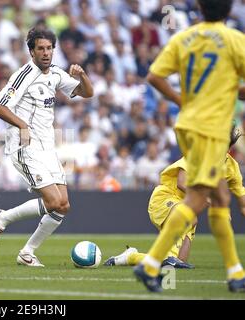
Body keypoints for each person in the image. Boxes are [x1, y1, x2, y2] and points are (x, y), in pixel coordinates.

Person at [134, 0, 245, 293]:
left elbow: (154, 76)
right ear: (228, 10)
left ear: (200, 8)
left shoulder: (184, 37)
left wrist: (182, 100)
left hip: (188, 125)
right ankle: (150, 265)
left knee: (219, 195)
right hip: (211, 129)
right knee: (197, 200)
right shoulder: (235, 40)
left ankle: (235, 273)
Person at [0, 27, 93, 267]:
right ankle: (2, 218)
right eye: (40, 49)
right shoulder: (23, 75)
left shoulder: (55, 74)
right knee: (54, 202)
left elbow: (87, 93)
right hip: (24, 147)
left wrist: (82, 75)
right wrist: (22, 125)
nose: (45, 53)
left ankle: (27, 252)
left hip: (48, 148)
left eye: (49, 48)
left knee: (63, 206)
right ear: (31, 52)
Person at [105, 126, 245, 268]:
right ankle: (169, 257)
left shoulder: (232, 168)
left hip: (189, 207)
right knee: (189, 222)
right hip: (165, 197)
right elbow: (182, 183)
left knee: (177, 262)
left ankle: (130, 257)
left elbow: (242, 201)